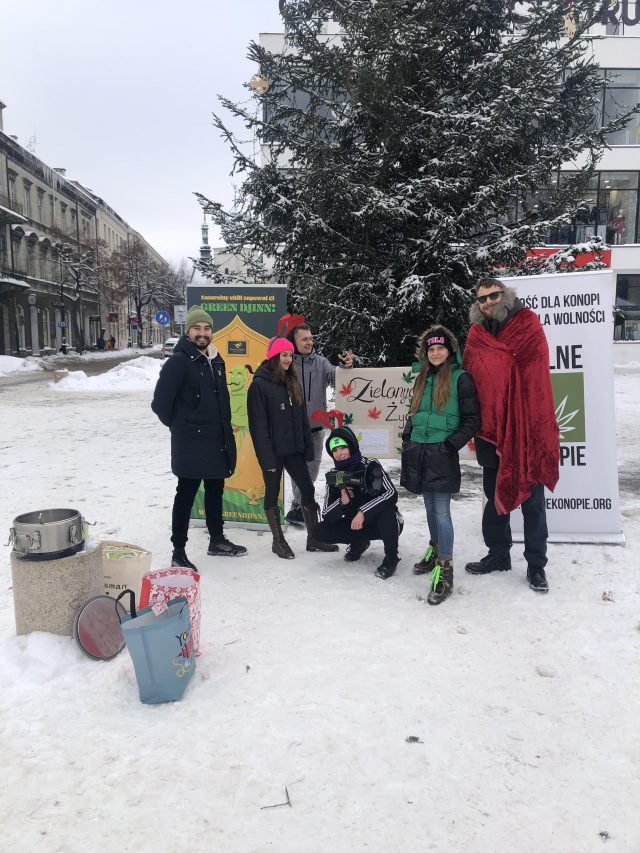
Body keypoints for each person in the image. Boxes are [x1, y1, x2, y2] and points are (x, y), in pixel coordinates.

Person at [462, 277, 560, 593]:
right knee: (494, 496)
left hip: (525, 430)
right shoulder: (476, 335)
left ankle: (536, 566)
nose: (488, 302)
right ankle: (498, 554)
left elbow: (535, 372)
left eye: (493, 295)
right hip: (491, 431)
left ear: (505, 295)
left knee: (532, 502)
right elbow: (469, 374)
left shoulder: (527, 324)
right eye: (482, 299)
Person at [151, 305, 246, 570]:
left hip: (217, 439)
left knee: (216, 488)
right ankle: (178, 550)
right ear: (188, 331)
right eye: (197, 328)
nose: (202, 333)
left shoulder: (216, 360)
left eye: (206, 328)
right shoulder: (179, 362)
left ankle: (217, 539)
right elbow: (160, 404)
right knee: (187, 494)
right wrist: (182, 427)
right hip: (191, 442)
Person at [400, 325, 480, 605]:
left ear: (450, 351)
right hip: (419, 451)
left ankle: (445, 569)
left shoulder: (461, 379)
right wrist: (408, 437)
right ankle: (435, 549)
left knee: (442, 511)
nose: (435, 353)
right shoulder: (422, 377)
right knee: (428, 506)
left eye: (440, 348)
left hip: (441, 452)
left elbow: (472, 420)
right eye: (431, 349)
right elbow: (414, 412)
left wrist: (450, 445)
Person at [247, 336, 338, 559]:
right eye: (283, 355)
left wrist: (307, 446)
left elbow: (302, 419)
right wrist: (267, 460)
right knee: (271, 495)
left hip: (293, 450)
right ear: (273, 356)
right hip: (273, 453)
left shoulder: (291, 380)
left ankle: (314, 537)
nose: (288, 359)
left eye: (289, 355)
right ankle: (278, 541)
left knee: (307, 490)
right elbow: (258, 428)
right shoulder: (259, 385)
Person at [283, 318, 354, 527]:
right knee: (297, 469)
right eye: (304, 339)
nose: (309, 342)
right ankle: (300, 505)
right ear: (294, 341)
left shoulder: (321, 362)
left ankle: (298, 505)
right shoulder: (286, 362)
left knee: (311, 469)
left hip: (314, 428)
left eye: (311, 339)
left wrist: (346, 365)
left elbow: (336, 376)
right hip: (291, 427)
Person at [314, 426, 403, 579]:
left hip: (385, 525)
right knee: (318, 531)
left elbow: (391, 493)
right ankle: (359, 542)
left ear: (352, 446)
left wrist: (363, 512)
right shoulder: (334, 476)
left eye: (343, 448)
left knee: (387, 510)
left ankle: (391, 558)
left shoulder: (370, 465)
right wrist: (343, 501)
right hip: (357, 526)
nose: (339, 454)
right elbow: (327, 514)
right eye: (335, 450)